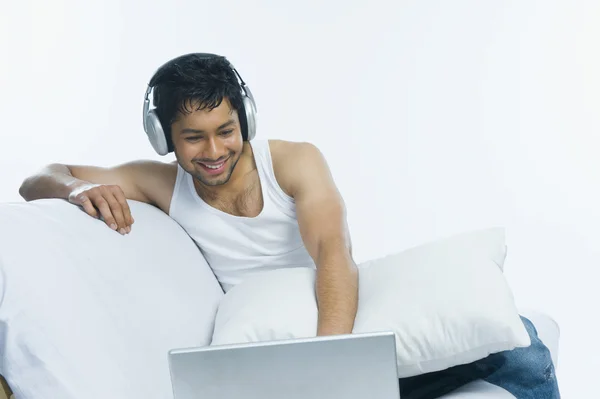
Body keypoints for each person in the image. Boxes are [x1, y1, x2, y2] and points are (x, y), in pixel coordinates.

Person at [18, 53, 560, 398]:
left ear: (245, 120)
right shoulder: (160, 183)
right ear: (164, 137)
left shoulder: (295, 162)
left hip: (332, 325)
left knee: (524, 346)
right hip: (263, 348)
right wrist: (76, 188)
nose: (214, 151)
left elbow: (333, 252)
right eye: (193, 137)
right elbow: (39, 177)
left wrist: (331, 364)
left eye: (226, 130)